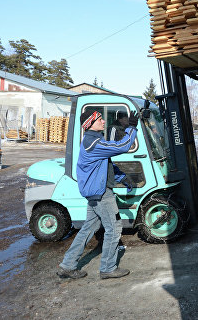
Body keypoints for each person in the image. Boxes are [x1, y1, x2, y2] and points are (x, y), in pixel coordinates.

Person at [56, 109, 138, 280]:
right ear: (90, 124)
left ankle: (67, 266)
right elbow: (122, 146)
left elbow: (105, 166)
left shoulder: (95, 140)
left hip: (95, 193)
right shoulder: (92, 142)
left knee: (89, 228)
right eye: (99, 119)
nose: (103, 122)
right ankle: (108, 268)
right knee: (114, 228)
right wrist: (132, 127)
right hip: (101, 194)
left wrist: (123, 178)